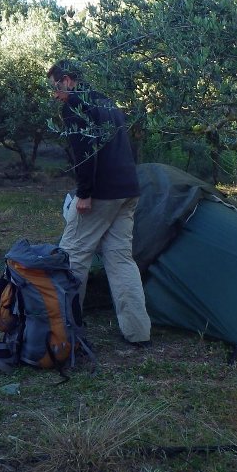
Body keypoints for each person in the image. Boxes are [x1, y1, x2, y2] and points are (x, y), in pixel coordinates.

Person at [47, 60, 152, 346]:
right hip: (128, 190)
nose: (55, 95)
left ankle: (64, 332)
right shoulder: (107, 102)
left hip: (102, 193)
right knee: (120, 260)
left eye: (55, 88)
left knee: (72, 256)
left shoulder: (75, 106)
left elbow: (85, 153)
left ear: (67, 80)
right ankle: (139, 333)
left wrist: (84, 192)